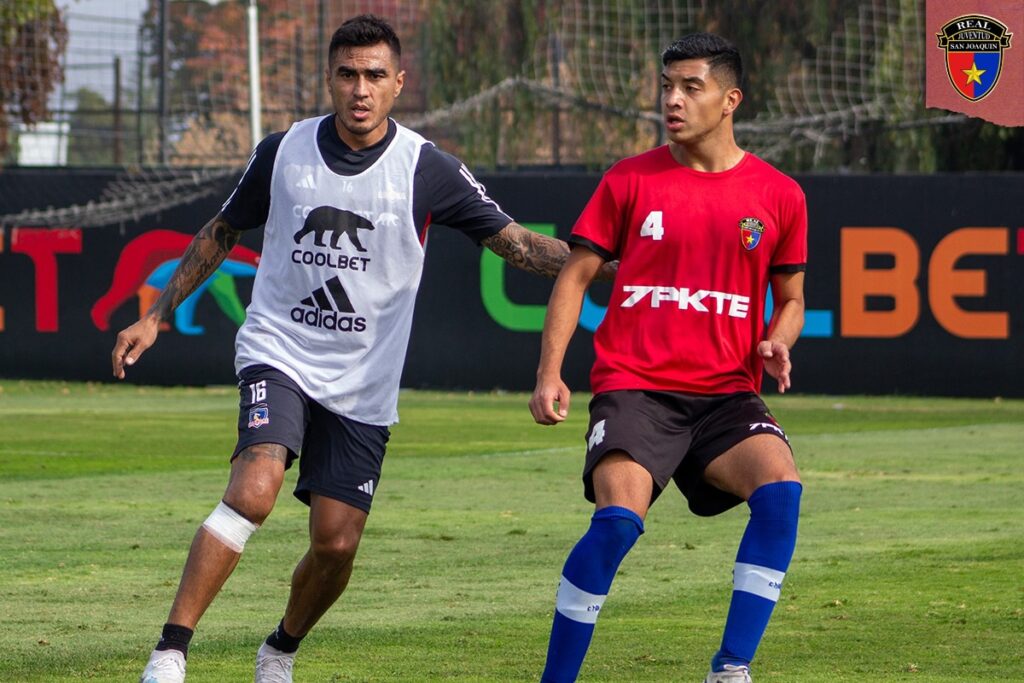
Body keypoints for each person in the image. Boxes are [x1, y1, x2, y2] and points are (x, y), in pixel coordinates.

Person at [116, 15, 601, 683]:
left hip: (365, 384)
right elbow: (224, 228)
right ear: (329, 79)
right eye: (348, 74)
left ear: (398, 83)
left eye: (375, 75)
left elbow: (519, 245)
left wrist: (612, 264)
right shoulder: (284, 150)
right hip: (278, 350)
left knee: (336, 542)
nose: (360, 89)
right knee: (255, 488)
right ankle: (170, 650)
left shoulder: (427, 168)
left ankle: (279, 648)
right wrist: (157, 316)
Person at [529, 32, 807, 683]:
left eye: (690, 87)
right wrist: (550, 372)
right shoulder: (629, 179)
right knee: (617, 523)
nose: (672, 101)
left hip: (726, 396)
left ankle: (731, 667)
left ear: (729, 99)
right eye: (666, 86)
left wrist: (779, 338)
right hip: (637, 389)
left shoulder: (779, 195)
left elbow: (791, 298)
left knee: (782, 491)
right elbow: (573, 277)